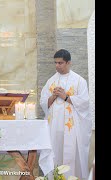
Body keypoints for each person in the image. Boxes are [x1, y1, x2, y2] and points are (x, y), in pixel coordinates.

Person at [40, 49, 92, 179]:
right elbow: (43, 103)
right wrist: (53, 96)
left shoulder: (79, 81)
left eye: (61, 63)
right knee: (55, 153)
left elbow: (84, 103)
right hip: (54, 127)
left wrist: (65, 96)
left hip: (72, 128)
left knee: (71, 155)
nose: (57, 65)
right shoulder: (51, 81)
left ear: (69, 63)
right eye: (56, 63)